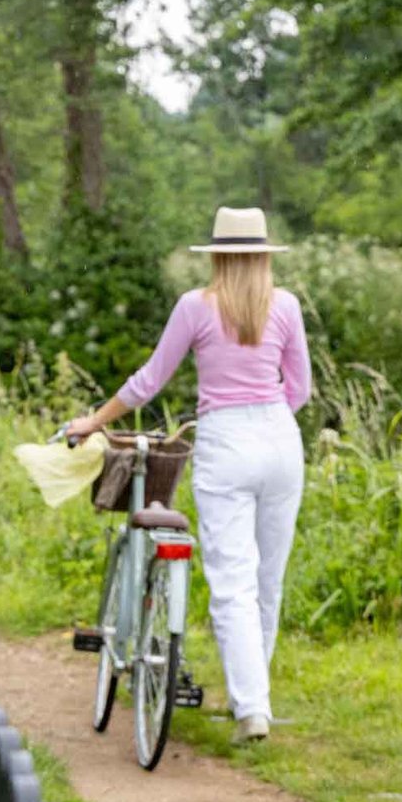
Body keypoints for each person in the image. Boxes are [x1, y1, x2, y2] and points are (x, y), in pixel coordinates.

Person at [65, 206, 312, 745]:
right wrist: (266, 421)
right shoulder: (287, 306)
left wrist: (93, 422)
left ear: (218, 255)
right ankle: (254, 698)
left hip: (226, 440)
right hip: (280, 438)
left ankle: (252, 709)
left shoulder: (195, 307)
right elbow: (301, 390)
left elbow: (148, 381)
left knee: (232, 582)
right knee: (268, 578)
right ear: (264, 255)